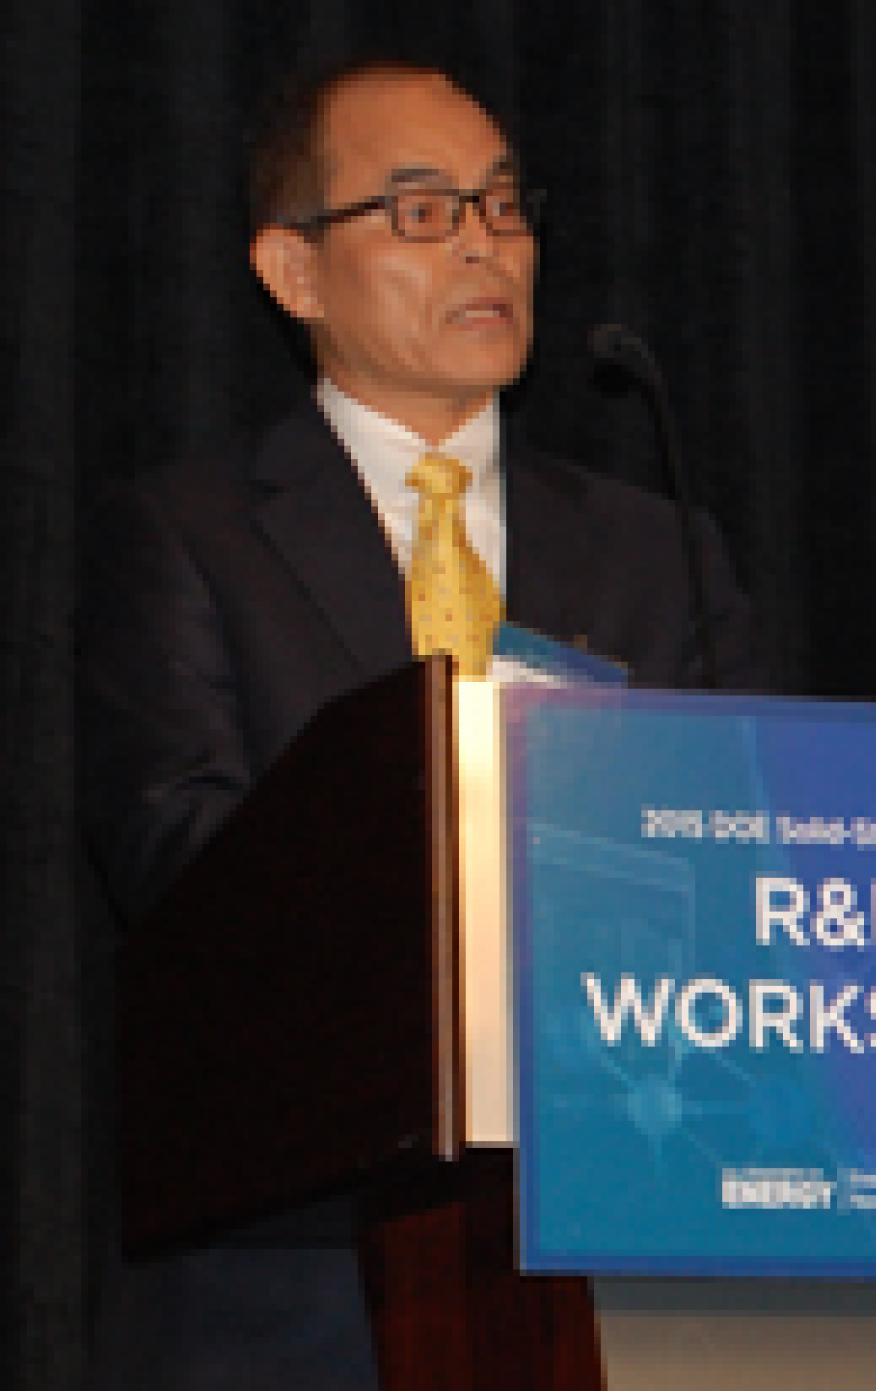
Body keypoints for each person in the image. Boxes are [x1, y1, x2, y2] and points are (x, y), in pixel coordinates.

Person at [79, 57, 762, 1390]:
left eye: (503, 208)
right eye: (420, 212)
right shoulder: (190, 532)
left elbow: (745, 848)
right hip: (302, 1278)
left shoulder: (654, 549)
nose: (483, 244)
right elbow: (181, 856)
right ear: (293, 271)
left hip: (626, 1242)